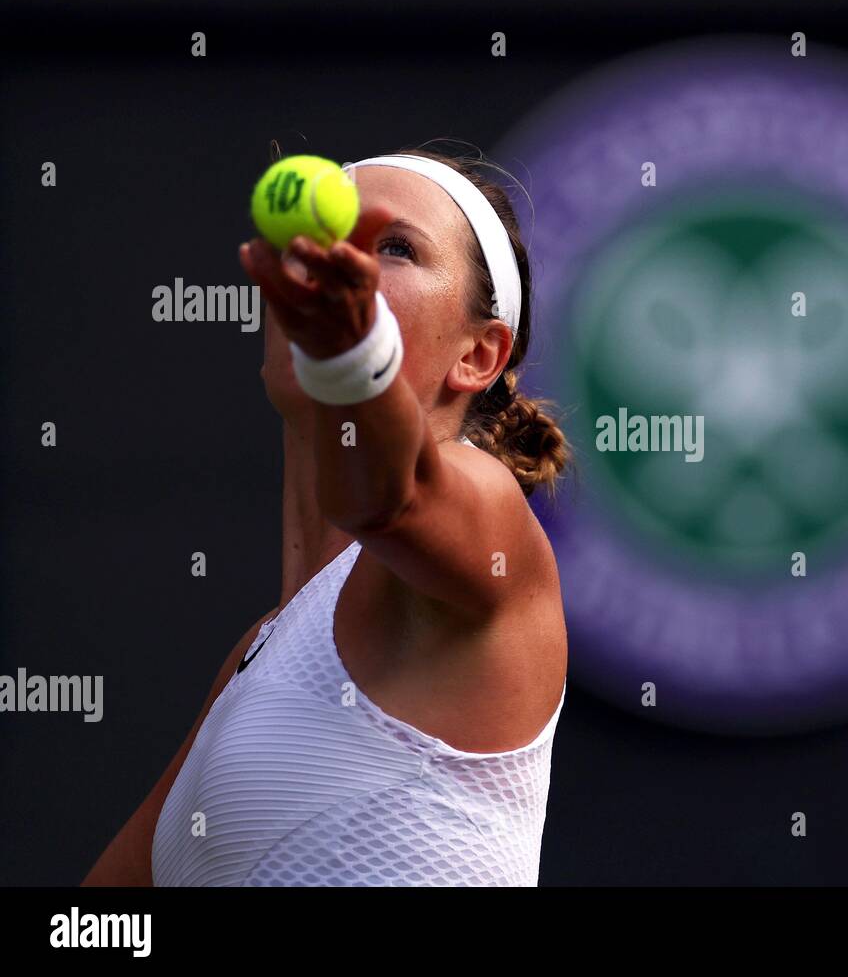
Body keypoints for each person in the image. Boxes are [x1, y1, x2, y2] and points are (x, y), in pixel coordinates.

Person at [83, 147, 570, 886]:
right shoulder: (258, 653)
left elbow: (387, 497)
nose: (339, 268)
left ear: (478, 355)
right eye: (319, 244)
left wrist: (351, 358)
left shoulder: (491, 516)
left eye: (394, 247)